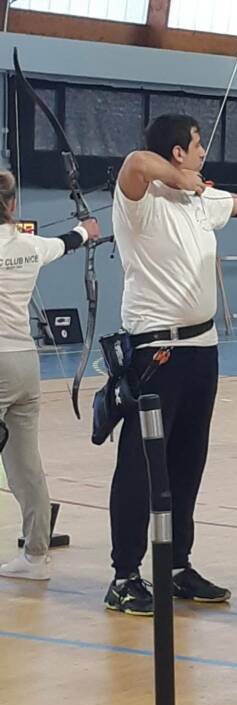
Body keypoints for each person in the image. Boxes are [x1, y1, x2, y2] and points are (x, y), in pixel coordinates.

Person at [105, 113, 237, 615]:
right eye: (196, 146)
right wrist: (176, 178)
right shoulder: (138, 201)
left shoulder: (199, 200)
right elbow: (134, 162)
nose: (203, 153)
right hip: (156, 353)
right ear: (176, 153)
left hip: (201, 351)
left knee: (188, 462)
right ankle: (125, 574)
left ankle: (175, 565)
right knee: (141, 466)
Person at [0, 169, 99, 580]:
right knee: (25, 463)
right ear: (12, 205)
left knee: (23, 463)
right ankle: (36, 556)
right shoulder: (29, 245)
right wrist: (87, 228)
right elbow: (69, 241)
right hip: (25, 363)